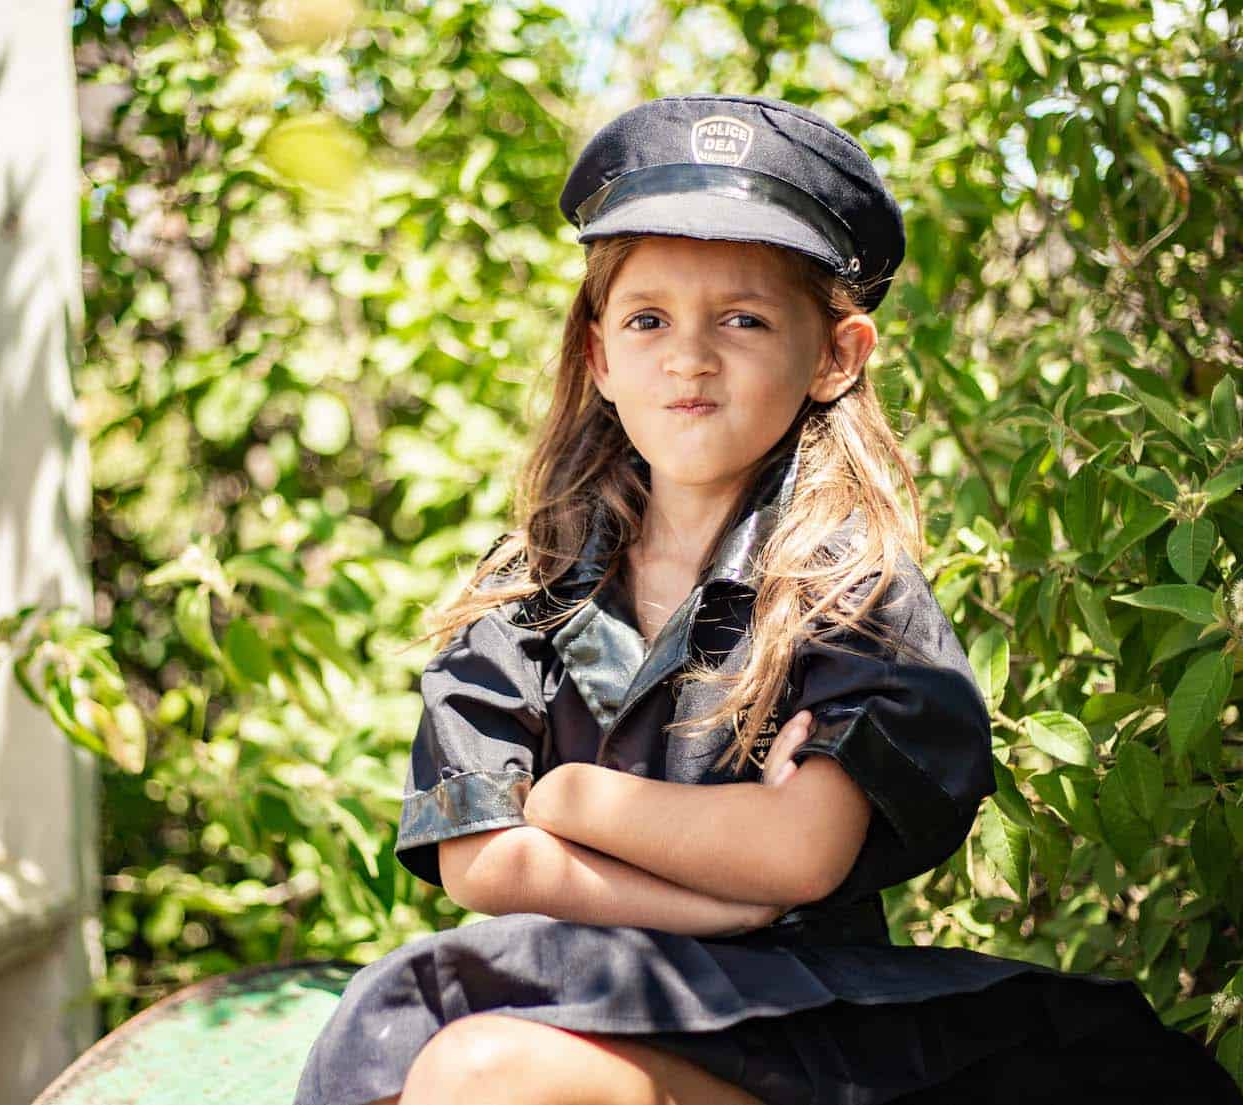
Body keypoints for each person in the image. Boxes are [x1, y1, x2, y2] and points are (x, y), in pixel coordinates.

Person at [291, 94, 1242, 1105]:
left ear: (835, 355)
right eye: (648, 319)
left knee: (486, 1070)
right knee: (408, 1057)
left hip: (790, 1035)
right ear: (599, 355)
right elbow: (481, 859)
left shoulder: (846, 588)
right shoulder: (523, 589)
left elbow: (797, 852)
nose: (690, 357)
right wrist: (719, 902)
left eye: (742, 319)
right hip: (564, 984)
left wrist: (566, 798)